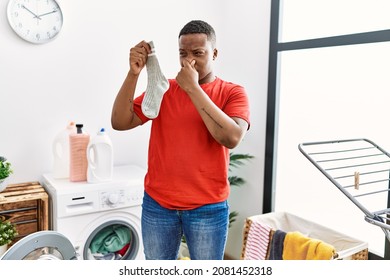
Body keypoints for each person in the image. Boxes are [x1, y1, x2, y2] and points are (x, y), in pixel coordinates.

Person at [111, 20, 250, 260]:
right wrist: (133, 74)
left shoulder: (232, 92)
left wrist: (193, 89)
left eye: (198, 53)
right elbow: (121, 122)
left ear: (214, 53)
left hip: (208, 209)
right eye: (183, 53)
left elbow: (231, 137)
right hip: (158, 206)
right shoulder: (164, 90)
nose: (190, 61)